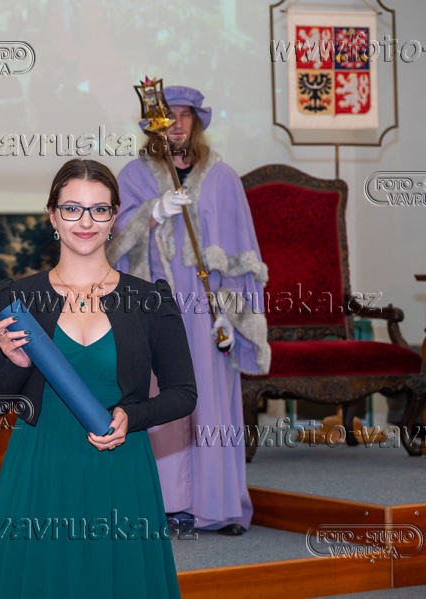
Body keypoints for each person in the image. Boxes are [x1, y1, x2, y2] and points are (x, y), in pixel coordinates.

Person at [0, 159, 197, 598]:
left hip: (121, 467)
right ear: (53, 216)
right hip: (39, 467)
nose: (85, 222)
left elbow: (183, 393)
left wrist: (132, 416)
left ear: (114, 218)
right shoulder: (17, 298)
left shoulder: (149, 300)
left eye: (99, 210)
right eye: (72, 208)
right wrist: (18, 364)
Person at [108, 86, 270, 536]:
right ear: (152, 124)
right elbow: (111, 245)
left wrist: (231, 316)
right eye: (169, 115)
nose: (176, 123)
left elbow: (241, 256)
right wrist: (152, 213)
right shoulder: (133, 177)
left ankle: (217, 507)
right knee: (160, 404)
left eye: (185, 115)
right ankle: (163, 506)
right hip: (153, 312)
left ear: (197, 121)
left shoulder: (223, 178)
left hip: (206, 315)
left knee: (211, 408)